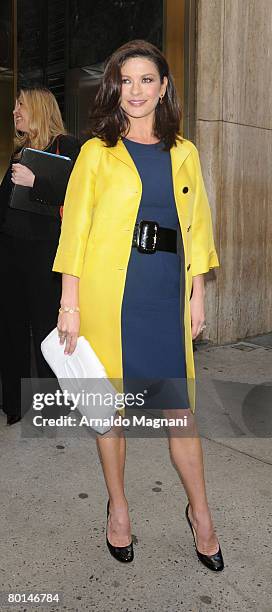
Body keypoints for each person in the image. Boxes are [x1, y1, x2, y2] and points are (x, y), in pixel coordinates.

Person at [53, 40, 224, 571]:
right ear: (114, 87)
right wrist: (70, 304)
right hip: (111, 299)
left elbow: (198, 231)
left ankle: (201, 514)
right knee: (112, 416)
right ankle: (119, 508)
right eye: (126, 81)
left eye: (146, 79)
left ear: (164, 87)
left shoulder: (185, 152)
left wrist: (197, 294)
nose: (135, 91)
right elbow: (74, 232)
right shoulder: (95, 152)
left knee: (180, 415)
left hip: (162, 297)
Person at [0, 87, 80, 426]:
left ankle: (53, 405)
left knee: (48, 330)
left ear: (39, 108)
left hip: (46, 253)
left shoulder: (67, 146)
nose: (15, 111)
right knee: (10, 327)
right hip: (9, 250)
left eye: (21, 105)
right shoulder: (20, 152)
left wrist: (36, 183)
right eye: (15, 106)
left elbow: (78, 201)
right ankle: (13, 404)